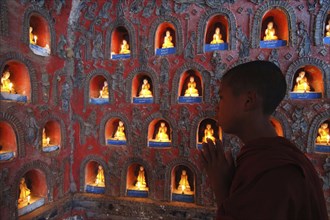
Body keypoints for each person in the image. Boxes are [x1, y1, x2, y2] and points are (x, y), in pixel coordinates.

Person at [201, 60, 327, 220]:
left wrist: (220, 187)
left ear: (249, 101)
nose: (217, 107)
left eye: (222, 97)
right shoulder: (263, 157)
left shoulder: (275, 171)